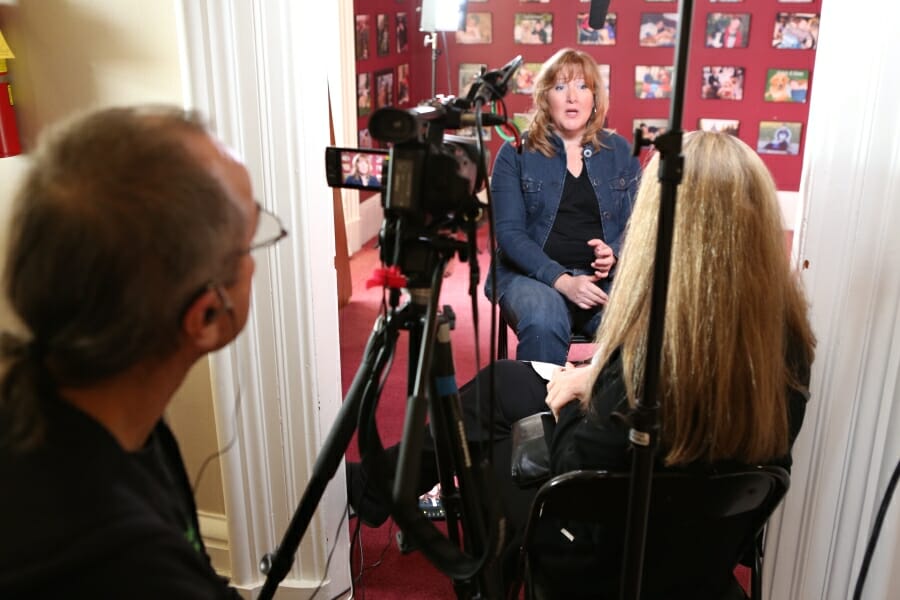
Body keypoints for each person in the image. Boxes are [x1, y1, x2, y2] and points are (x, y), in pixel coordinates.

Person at [350, 131, 816, 595]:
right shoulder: (787, 340)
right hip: (698, 549)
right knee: (504, 383)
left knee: (498, 444)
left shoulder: (649, 349)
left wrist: (575, 397)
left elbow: (574, 462)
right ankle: (379, 485)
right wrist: (597, 375)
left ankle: (484, 568)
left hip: (605, 555)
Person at [0, 106, 288, 598]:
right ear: (204, 317)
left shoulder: (70, 401)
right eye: (248, 243)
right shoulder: (120, 563)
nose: (254, 266)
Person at [486, 48, 641, 365]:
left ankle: (605, 408)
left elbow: (640, 225)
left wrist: (614, 253)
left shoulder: (620, 150)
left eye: (582, 87)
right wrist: (563, 281)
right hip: (530, 276)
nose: (572, 97)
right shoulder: (514, 153)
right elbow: (510, 235)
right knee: (544, 319)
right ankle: (538, 414)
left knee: (646, 324)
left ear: (595, 97)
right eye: (560, 87)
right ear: (545, 98)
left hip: (605, 280)